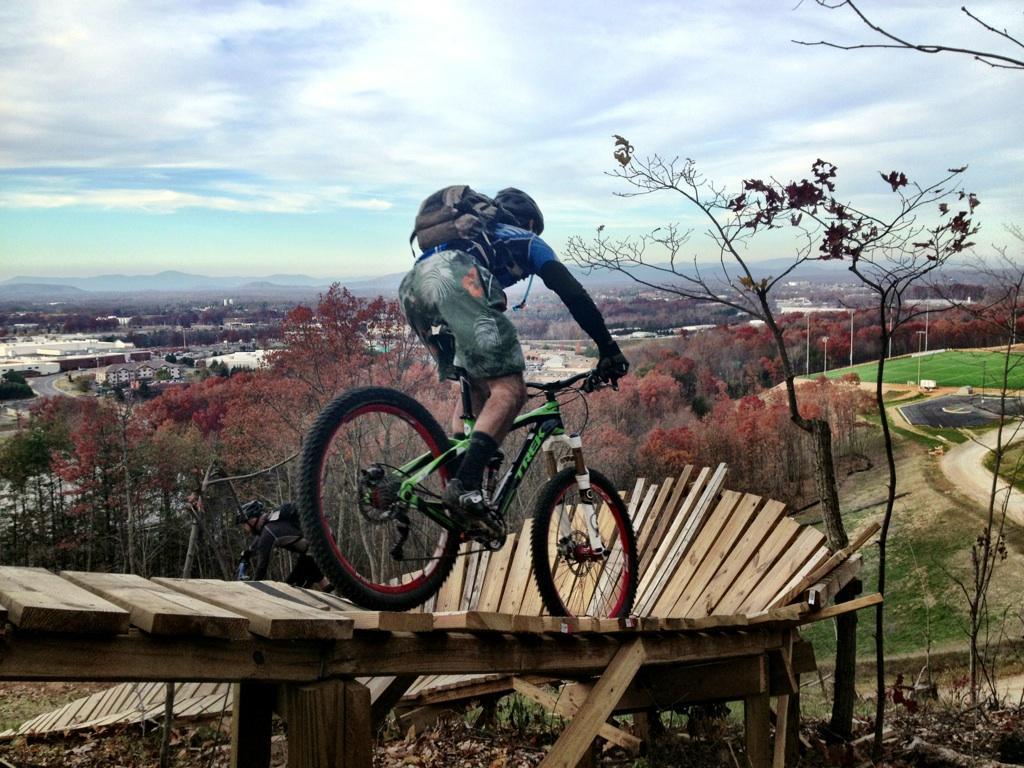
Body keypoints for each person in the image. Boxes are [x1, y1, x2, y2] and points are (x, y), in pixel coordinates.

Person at [399, 187, 628, 528]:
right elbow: (572, 293)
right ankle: (466, 486)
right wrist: (608, 348)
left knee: (478, 392)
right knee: (511, 390)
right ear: (531, 221)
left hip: (413, 287)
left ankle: (458, 478)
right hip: (456, 278)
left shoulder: (473, 236)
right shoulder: (526, 238)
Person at [236, 500, 330, 589]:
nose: (244, 528)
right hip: (321, 541)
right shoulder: (270, 521)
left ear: (252, 520)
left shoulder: (268, 532)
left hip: (316, 549)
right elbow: (257, 542)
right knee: (317, 577)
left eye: (244, 524)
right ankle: (337, 595)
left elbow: (262, 566)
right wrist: (247, 553)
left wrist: (255, 585)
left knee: (292, 589)